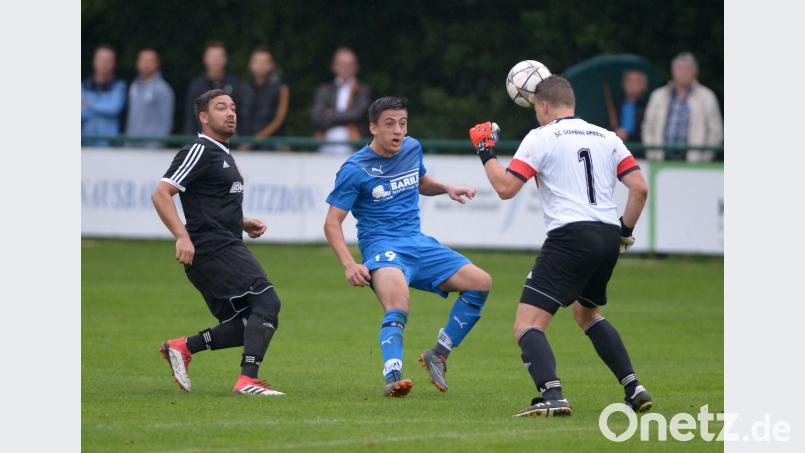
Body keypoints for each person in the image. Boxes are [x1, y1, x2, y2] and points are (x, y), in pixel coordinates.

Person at [468, 75, 652, 417]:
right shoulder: (607, 137)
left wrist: (485, 151)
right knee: (587, 313)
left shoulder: (541, 137)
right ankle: (634, 387)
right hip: (607, 235)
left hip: (571, 237)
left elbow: (506, 188)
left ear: (543, 106)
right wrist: (624, 231)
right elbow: (639, 188)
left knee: (527, 325)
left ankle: (552, 395)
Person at [324, 96, 492, 397]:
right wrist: (350, 264)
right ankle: (393, 376)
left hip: (417, 243)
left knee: (480, 282)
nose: (398, 131)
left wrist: (446, 188)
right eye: (390, 124)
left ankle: (438, 353)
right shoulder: (355, 168)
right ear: (373, 128)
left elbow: (420, 181)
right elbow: (332, 223)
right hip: (382, 247)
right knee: (399, 304)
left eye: (402, 123)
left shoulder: (412, 148)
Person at [152, 89, 284, 397]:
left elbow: (209, 203)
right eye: (221, 107)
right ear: (203, 117)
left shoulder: (222, 153)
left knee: (246, 323)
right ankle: (247, 380)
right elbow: (161, 193)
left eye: (233, 107)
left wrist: (242, 221)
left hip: (220, 244)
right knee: (267, 302)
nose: (230, 113)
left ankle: (183, 347)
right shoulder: (199, 149)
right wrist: (182, 236)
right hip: (212, 248)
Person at [642, 52, 723, 162]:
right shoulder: (658, 96)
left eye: (688, 68)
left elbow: (716, 131)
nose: (684, 72)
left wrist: (703, 158)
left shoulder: (707, 97)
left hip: (694, 162)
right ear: (673, 71)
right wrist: (653, 155)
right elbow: (648, 127)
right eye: (680, 68)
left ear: (695, 72)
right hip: (661, 160)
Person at [312, 47, 372, 155]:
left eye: (349, 64)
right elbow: (316, 117)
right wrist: (346, 116)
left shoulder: (363, 90)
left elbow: (358, 114)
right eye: (341, 64)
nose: (345, 68)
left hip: (354, 145)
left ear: (356, 67)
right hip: (325, 144)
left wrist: (330, 114)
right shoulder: (324, 90)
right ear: (334, 66)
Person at [182, 42, 246, 135]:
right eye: (212, 57)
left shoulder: (235, 85)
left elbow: (241, 115)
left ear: (225, 60)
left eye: (219, 57)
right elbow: (190, 117)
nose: (216, 60)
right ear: (205, 59)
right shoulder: (196, 85)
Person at [239, 46, 289, 150]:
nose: (261, 65)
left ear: (272, 65)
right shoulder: (242, 88)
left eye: (265, 61)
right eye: (257, 61)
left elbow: (279, 120)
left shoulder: (281, 89)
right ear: (250, 64)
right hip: (243, 139)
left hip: (272, 140)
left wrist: (255, 140)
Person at [125, 48, 175, 148]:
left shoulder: (163, 89)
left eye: (150, 61)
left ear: (157, 64)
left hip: (151, 149)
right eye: (143, 60)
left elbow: (166, 121)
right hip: (131, 146)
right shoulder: (134, 86)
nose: (146, 64)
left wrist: (156, 145)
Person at [81, 45, 127, 146]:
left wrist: (90, 105)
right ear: (94, 61)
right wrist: (104, 108)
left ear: (113, 63)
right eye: (101, 60)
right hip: (86, 144)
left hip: (110, 145)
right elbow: (82, 113)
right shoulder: (83, 86)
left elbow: (114, 109)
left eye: (108, 60)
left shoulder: (119, 86)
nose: (104, 64)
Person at [612, 69, 648, 144]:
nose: (632, 84)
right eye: (629, 80)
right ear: (623, 83)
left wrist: (628, 136)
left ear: (644, 85)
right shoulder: (614, 105)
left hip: (639, 148)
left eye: (636, 81)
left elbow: (649, 132)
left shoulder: (649, 106)